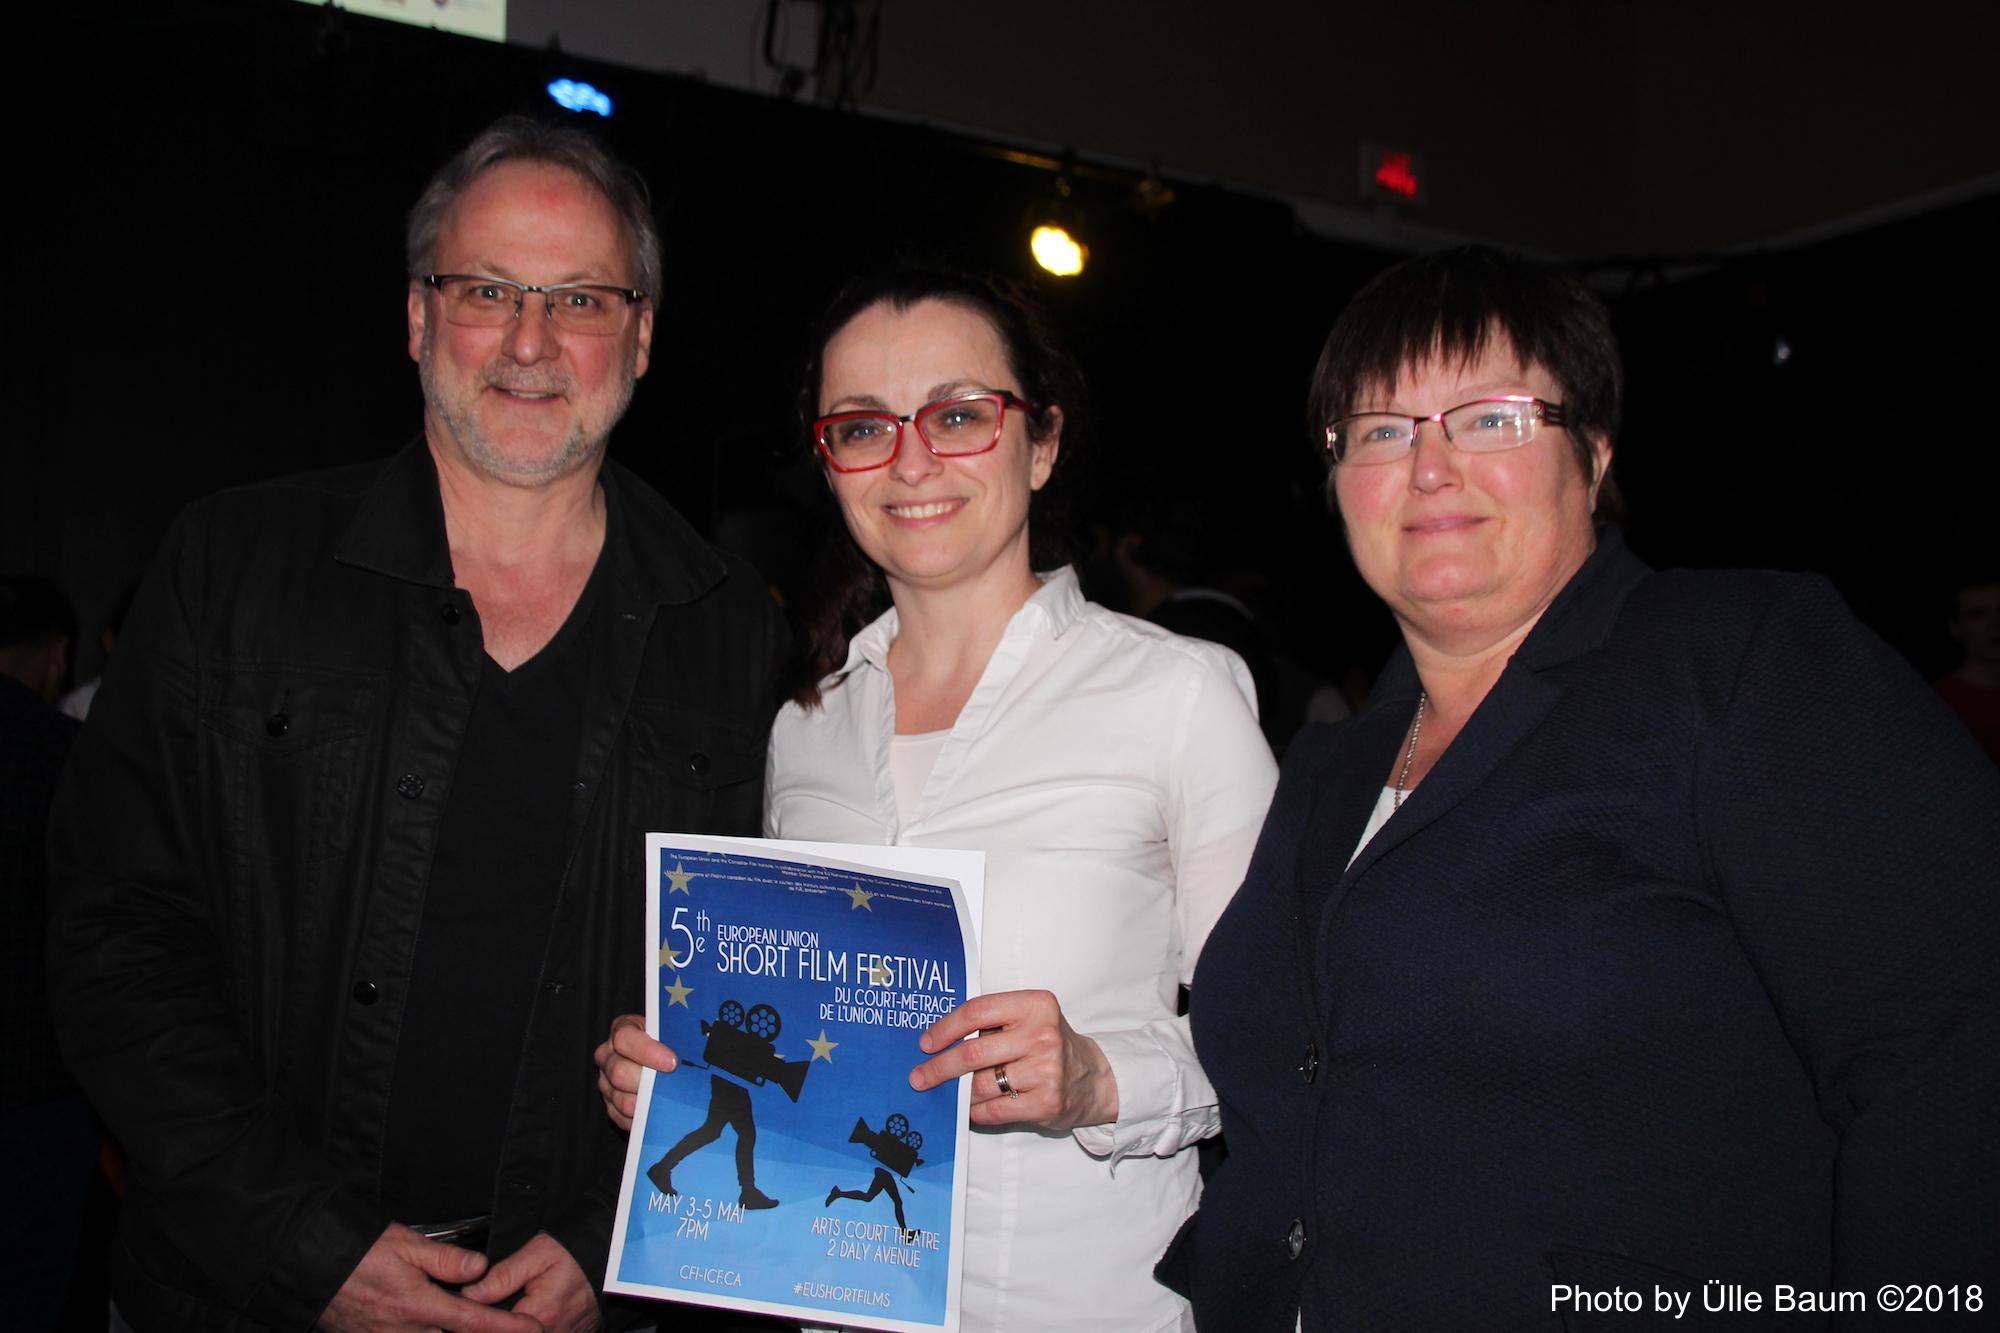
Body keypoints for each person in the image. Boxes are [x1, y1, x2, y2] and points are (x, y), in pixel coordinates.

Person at [1159, 246, 2000, 1329]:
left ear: (1593, 453)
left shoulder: (1737, 661)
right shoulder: (1329, 766)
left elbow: (1948, 1063)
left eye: (1490, 416)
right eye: (1379, 431)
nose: (1428, 467)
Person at [45, 117, 788, 1333]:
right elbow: (112, 943)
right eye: (488, 289)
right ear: (417, 317)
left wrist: (617, 1241)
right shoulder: (233, 568)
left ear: (641, 336)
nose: (532, 341)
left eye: (584, 299)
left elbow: (741, 999)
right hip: (242, 1298)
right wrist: (302, 1244)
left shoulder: (729, 635)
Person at [597, 267, 1277, 1330]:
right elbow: (802, 1033)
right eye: (863, 428)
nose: (911, 460)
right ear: (828, 464)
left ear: (1039, 442)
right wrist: (669, 1071)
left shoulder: (1178, 696)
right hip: (823, 1303)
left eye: (958, 415)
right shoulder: (804, 725)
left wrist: (1100, 1079)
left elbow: (1286, 1045)